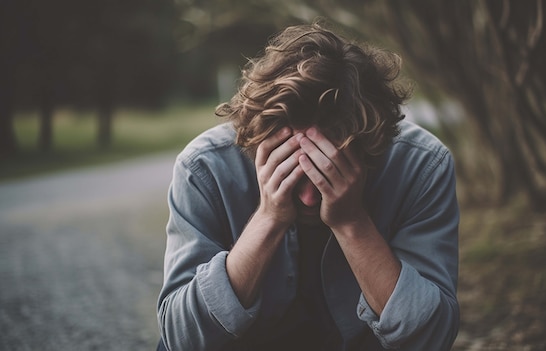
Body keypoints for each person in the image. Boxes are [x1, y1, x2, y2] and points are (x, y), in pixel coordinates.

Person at [157, 22, 460, 351]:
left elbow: (432, 338)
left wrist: (351, 222)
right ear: (256, 141)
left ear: (373, 145)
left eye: (330, 171)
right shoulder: (204, 168)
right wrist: (269, 217)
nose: (309, 197)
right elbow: (180, 339)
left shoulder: (421, 165)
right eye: (291, 172)